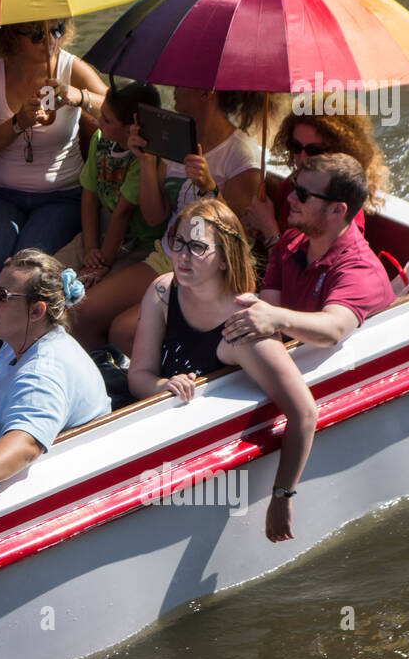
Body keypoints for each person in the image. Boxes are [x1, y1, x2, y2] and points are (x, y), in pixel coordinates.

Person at [125, 199, 318, 542]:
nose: (183, 256)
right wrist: (162, 386)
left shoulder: (241, 328)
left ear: (226, 258)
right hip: (157, 452)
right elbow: (138, 375)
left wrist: (281, 495)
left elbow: (303, 412)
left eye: (197, 247)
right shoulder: (161, 291)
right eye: (179, 242)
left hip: (202, 475)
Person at [73, 87, 265, 353]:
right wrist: (147, 162)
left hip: (206, 270)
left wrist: (209, 188)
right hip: (167, 256)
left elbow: (240, 237)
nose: (174, 89)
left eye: (182, 83)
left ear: (206, 93)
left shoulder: (241, 153)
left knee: (123, 330)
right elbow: (154, 217)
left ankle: (154, 384)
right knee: (81, 313)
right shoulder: (175, 139)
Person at [0, 250, 110, 520]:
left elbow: (27, 443)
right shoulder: (17, 341)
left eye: (2, 296)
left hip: (42, 505)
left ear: (37, 311)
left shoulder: (44, 371)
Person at [0, 19, 107, 274]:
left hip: (61, 197)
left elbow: (114, 108)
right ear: (10, 35)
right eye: (37, 35)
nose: (51, 40)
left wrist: (80, 96)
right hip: (1, 194)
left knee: (24, 268)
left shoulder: (70, 67)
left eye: (58, 29)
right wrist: (17, 124)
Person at [224, 153, 395, 348]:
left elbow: (333, 330)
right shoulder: (289, 243)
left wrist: (276, 317)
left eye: (302, 194)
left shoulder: (361, 270)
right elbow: (268, 314)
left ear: (337, 210)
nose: (290, 198)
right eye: (295, 187)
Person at [54, 81, 165, 287]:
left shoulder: (142, 158)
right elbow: (90, 194)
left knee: (89, 287)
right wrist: (90, 247)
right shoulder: (100, 139)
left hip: (138, 243)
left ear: (131, 128)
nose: (98, 122)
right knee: (47, 274)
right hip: (104, 230)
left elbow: (124, 213)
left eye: (107, 120)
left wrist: (101, 262)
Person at [243, 103, 390, 246]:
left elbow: (306, 269)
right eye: (296, 147)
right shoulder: (291, 184)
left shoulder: (343, 212)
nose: (302, 158)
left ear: (339, 152)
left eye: (314, 151)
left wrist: (270, 232)